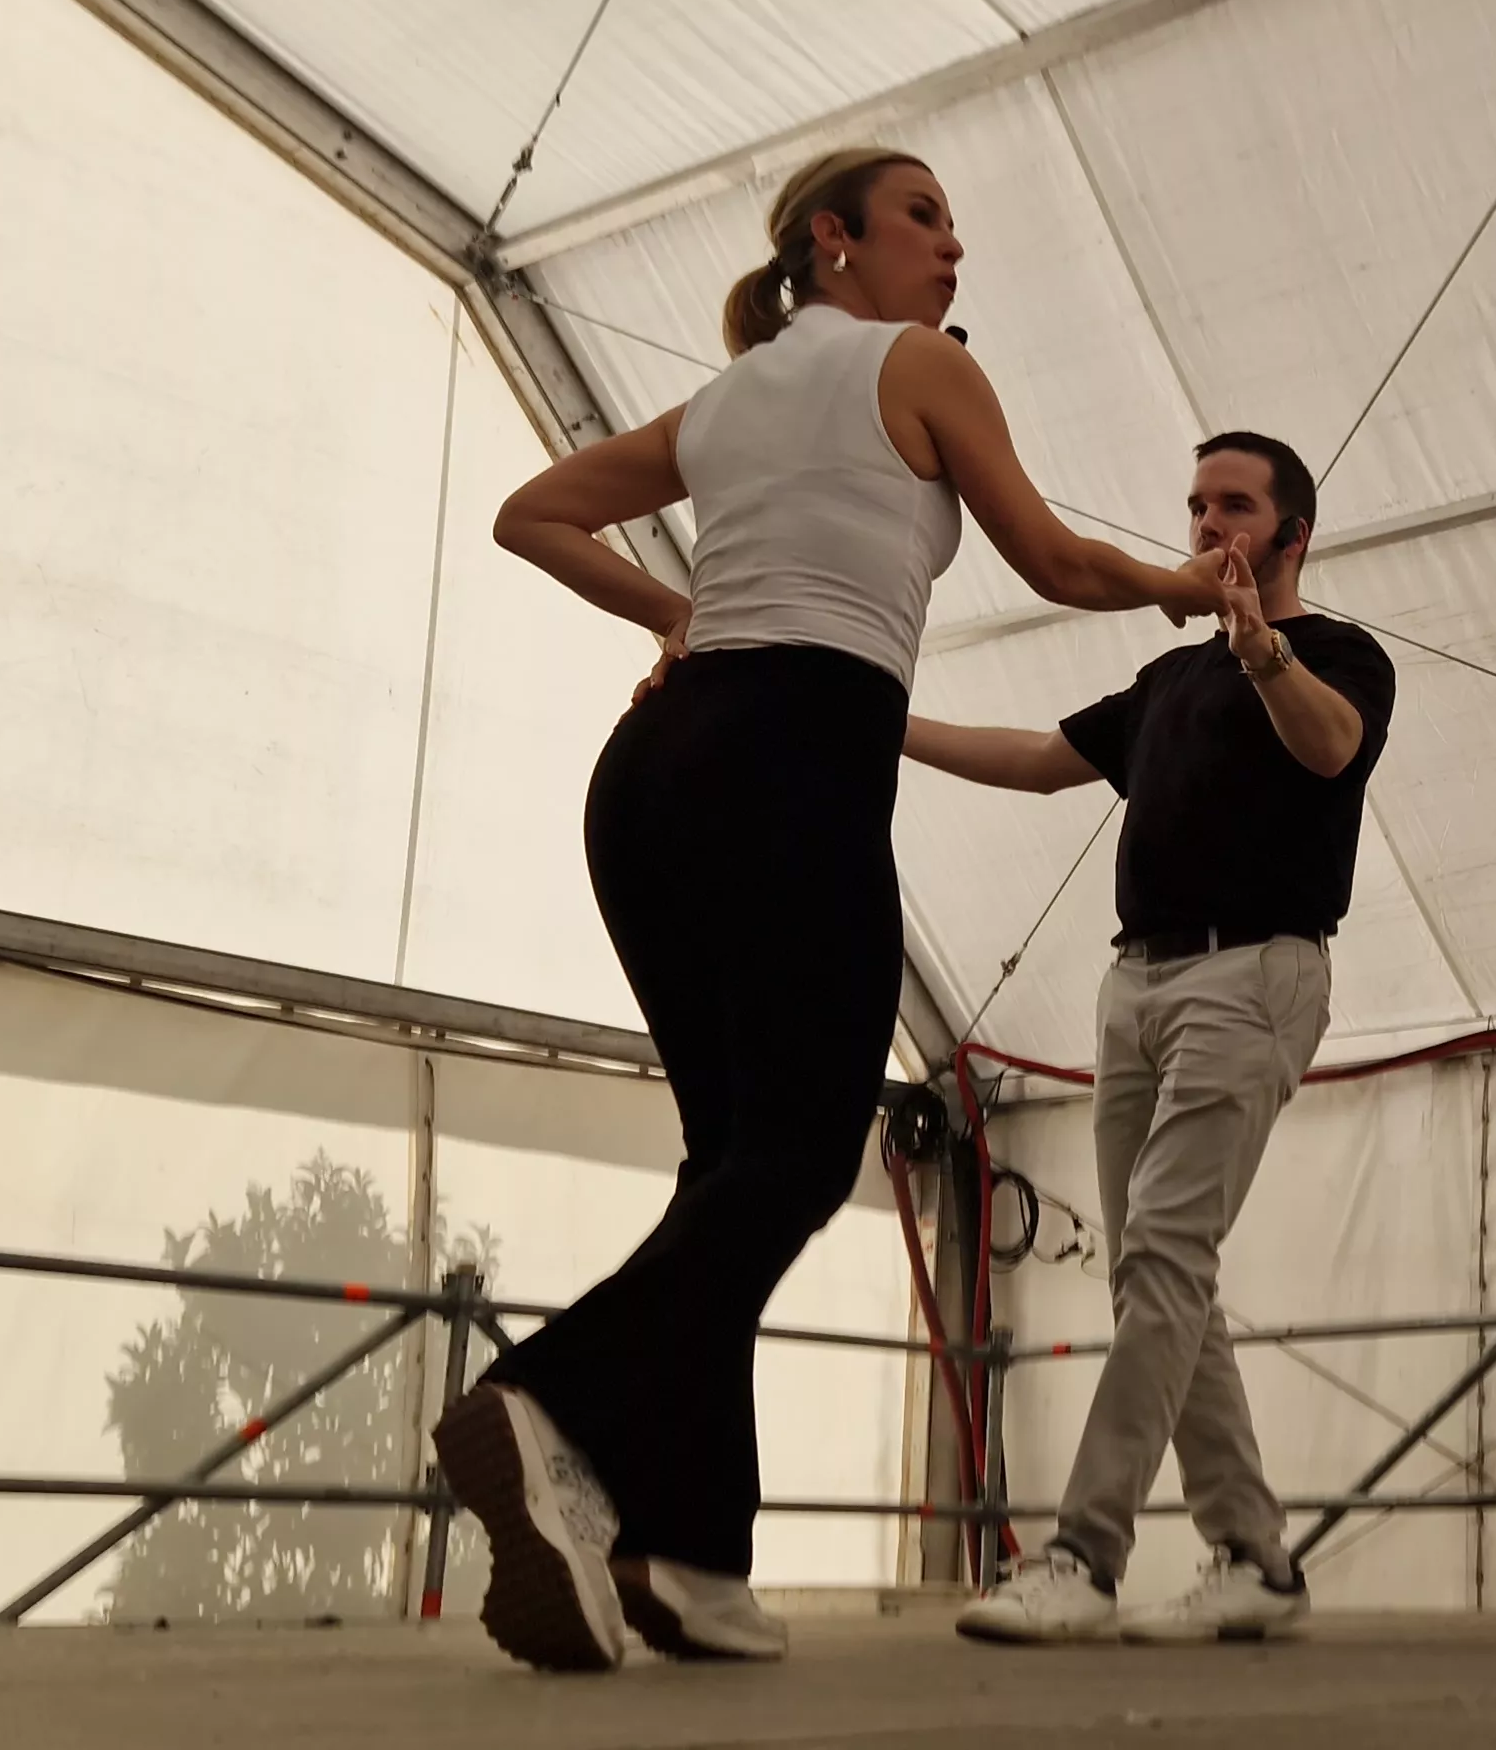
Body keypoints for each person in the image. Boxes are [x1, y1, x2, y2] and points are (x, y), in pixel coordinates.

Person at [435, 147, 1224, 1675]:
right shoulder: (918, 366)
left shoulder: (724, 402)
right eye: (926, 214)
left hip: (653, 775)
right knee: (794, 1159)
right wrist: (1183, 592)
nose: (955, 244)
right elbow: (1053, 559)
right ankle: (551, 1407)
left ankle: (691, 1558)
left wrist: (680, 616)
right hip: (793, 756)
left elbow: (531, 514)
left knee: (730, 1167)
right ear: (835, 240)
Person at [914, 432, 1399, 1645]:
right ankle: (1255, 1559)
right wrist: (890, 729)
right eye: (1193, 505)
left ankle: (1084, 1553)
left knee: (1166, 1261)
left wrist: (1263, 648)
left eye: (1233, 505)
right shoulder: (1164, 684)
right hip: (1136, 985)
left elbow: (1330, 747)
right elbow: (1035, 761)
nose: (1205, 525)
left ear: (1293, 534)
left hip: (1254, 976)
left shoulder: (1338, 658)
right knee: (1159, 1278)